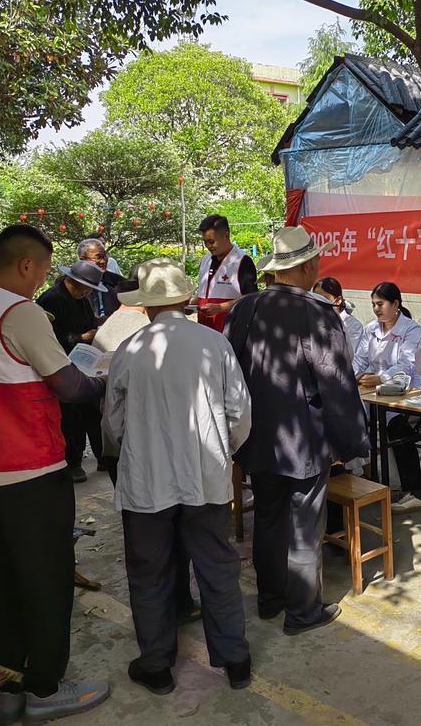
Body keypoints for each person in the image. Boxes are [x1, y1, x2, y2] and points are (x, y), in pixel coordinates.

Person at [0, 225, 110, 723]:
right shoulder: (20, 312)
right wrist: (103, 381)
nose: (39, 283)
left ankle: (8, 687)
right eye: (41, 272)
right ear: (27, 265)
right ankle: (44, 688)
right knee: (45, 582)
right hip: (28, 472)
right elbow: (68, 385)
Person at [104, 260, 253, 694]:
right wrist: (222, 453)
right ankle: (235, 661)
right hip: (204, 479)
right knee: (217, 567)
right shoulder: (214, 344)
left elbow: (113, 424)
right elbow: (240, 413)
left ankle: (156, 666)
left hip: (146, 483)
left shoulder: (130, 350)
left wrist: (135, 449)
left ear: (145, 306)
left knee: (149, 572)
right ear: (185, 299)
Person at [226, 227, 368, 635]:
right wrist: (351, 441)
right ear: (306, 267)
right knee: (304, 525)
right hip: (304, 439)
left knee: (268, 517)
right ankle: (303, 610)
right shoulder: (317, 312)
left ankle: (270, 598)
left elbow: (230, 373)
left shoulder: (245, 308)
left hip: (256, 436)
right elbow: (335, 382)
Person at [94, 264, 202, 627]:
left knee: (145, 553)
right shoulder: (207, 342)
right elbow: (237, 414)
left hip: (136, 459)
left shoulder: (120, 337)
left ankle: (157, 640)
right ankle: (182, 602)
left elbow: (113, 419)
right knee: (184, 540)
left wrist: (120, 450)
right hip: (184, 459)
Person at [352, 282, 421, 512]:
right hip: (377, 393)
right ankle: (375, 484)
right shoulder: (370, 329)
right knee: (360, 422)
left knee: (397, 429)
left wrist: (381, 378)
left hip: (407, 392)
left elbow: (406, 363)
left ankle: (417, 490)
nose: (376, 309)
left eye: (380, 304)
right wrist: (352, 376)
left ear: (396, 304)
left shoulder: (411, 329)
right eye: (374, 304)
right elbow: (360, 359)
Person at [37, 259, 109, 482]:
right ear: (72, 281)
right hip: (63, 363)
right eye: (86, 287)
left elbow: (87, 322)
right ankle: (73, 462)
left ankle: (103, 456)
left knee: (93, 412)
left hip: (86, 363)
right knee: (71, 418)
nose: (88, 292)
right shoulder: (51, 299)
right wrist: (79, 337)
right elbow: (46, 338)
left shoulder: (82, 299)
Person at [196, 215, 258, 333]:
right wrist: (191, 303)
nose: (208, 246)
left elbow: (252, 298)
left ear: (226, 236)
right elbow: (203, 291)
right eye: (205, 242)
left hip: (230, 331)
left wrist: (221, 307)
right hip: (204, 331)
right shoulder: (205, 260)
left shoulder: (242, 261)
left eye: (211, 242)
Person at [313, 276, 364, 356]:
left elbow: (349, 356)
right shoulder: (313, 321)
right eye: (316, 299)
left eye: (324, 299)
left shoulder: (353, 326)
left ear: (338, 300)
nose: (319, 303)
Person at [78, 238, 123, 319]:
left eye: (105, 256)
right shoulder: (73, 285)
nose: (103, 261)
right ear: (83, 260)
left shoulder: (118, 282)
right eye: (98, 257)